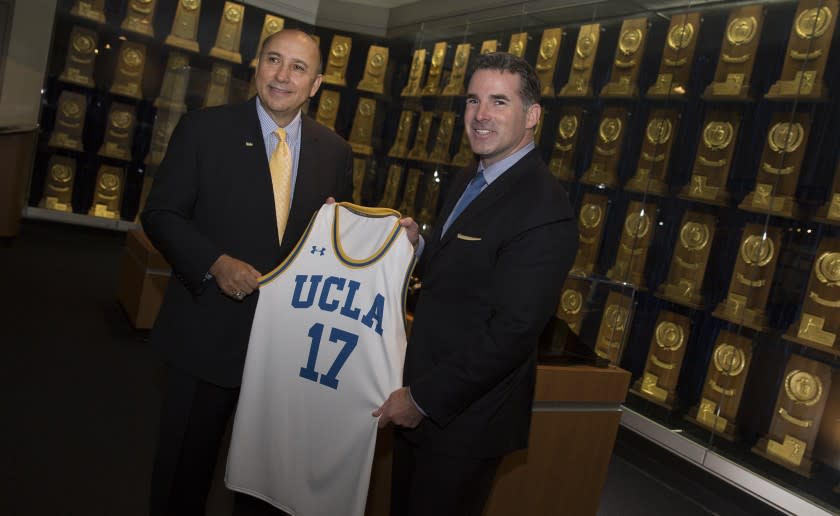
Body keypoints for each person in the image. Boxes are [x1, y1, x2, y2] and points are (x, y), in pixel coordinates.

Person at [141, 29, 352, 516]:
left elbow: (334, 238)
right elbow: (162, 214)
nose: (282, 75)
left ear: (316, 83)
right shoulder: (203, 129)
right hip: (206, 332)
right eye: (273, 60)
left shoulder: (335, 153)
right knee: (182, 476)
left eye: (298, 68)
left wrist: (392, 241)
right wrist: (214, 262)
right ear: (256, 65)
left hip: (287, 352)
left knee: (266, 486)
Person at [374, 52, 578, 516]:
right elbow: (467, 275)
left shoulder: (544, 209)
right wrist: (420, 247)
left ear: (533, 116)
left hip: (463, 421)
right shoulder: (471, 177)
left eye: (499, 102)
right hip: (423, 400)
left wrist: (422, 399)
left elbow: (511, 332)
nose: (481, 115)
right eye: (473, 100)